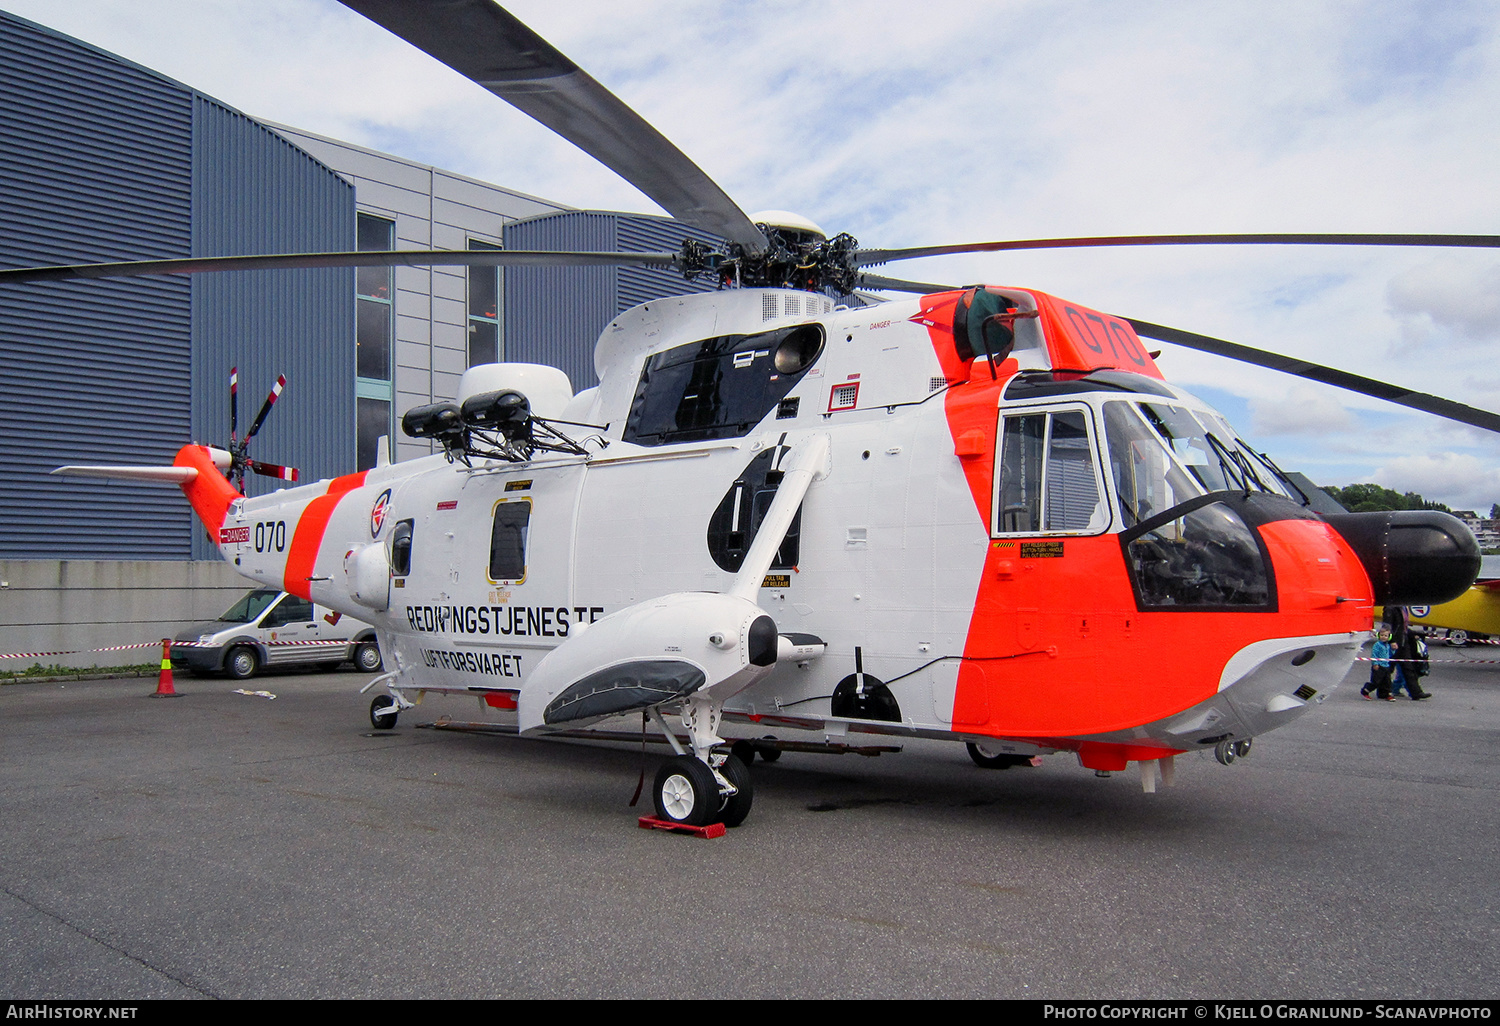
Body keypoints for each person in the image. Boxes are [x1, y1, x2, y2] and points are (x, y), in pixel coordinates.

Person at [1391, 630, 1432, 700]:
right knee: (1403, 673)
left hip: (1404, 647)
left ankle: (1395, 689)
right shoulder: (1397, 623)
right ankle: (1413, 692)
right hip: (1398, 647)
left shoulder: (1404, 628)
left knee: (1404, 672)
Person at [1362, 626, 1394, 701]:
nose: (1383, 637)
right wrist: (1375, 663)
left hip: (1386, 665)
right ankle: (1366, 691)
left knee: (1387, 681)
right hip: (1379, 666)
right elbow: (1374, 655)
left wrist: (1393, 650)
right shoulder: (1377, 645)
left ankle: (1386, 694)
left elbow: (1389, 654)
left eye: (1386, 636)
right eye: (1382, 635)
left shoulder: (1387, 645)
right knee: (1376, 681)